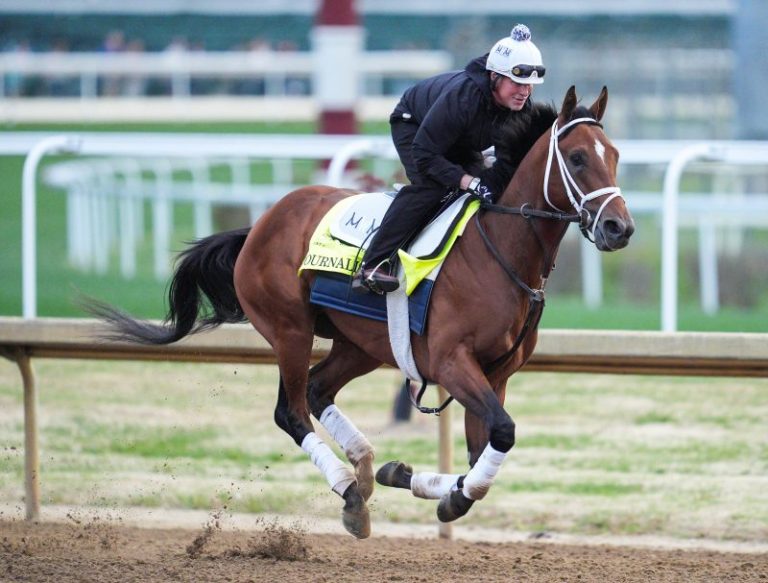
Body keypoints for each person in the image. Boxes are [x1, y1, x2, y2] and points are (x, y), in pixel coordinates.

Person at [354, 24, 546, 294]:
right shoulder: (463, 98)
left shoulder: (519, 106)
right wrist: (466, 180)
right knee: (433, 187)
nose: (524, 91)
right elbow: (424, 153)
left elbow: (507, 166)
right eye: (517, 82)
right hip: (414, 127)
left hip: (458, 141)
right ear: (494, 77)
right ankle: (373, 265)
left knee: (487, 192)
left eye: (529, 85)